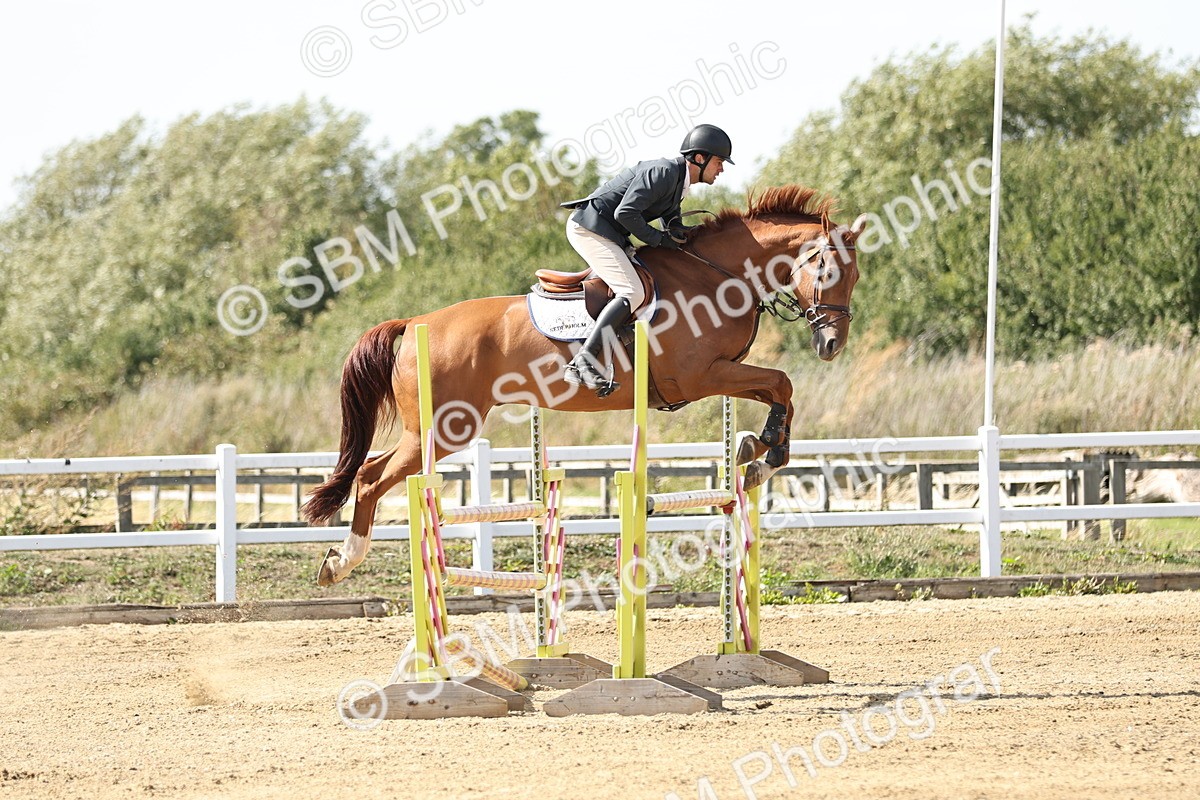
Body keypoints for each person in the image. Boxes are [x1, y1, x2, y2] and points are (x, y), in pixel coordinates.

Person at [558, 123, 734, 393]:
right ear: (700, 158)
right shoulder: (664, 172)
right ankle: (583, 361)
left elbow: (671, 220)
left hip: (608, 232)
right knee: (632, 290)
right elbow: (625, 214)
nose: (721, 169)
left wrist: (688, 234)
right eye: (719, 162)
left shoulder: (678, 180)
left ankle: (618, 337)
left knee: (650, 284)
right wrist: (660, 240)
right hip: (589, 229)